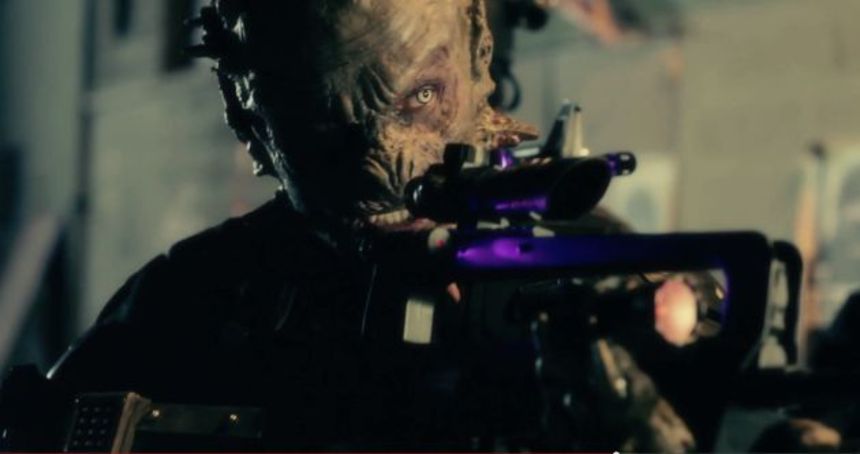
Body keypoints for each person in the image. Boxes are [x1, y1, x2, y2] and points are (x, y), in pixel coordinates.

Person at [42, 0, 695, 450]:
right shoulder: (185, 305)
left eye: (420, 98)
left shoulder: (599, 273)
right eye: (322, 131)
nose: (388, 165)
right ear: (253, 127)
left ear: (479, 55)